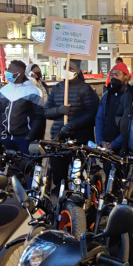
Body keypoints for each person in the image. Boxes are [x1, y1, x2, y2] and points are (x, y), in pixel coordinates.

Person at [44, 59, 99, 187]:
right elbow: (46, 112)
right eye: (66, 68)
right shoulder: (57, 89)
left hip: (80, 138)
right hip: (59, 138)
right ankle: (59, 193)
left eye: (71, 69)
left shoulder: (85, 89)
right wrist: (59, 110)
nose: (67, 71)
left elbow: (92, 113)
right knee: (58, 172)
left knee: (79, 173)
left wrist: (72, 125)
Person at [0, 60, 46, 154]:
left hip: (24, 140)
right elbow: (0, 113)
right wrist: (1, 135)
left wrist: (29, 137)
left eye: (11, 69)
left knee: (25, 167)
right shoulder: (4, 90)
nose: (7, 72)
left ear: (20, 72)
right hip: (7, 139)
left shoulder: (34, 91)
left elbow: (39, 117)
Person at [95, 62, 131, 151]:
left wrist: (114, 144)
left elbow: (129, 124)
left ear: (126, 77)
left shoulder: (130, 96)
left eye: (117, 75)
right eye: (111, 75)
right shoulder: (106, 96)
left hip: (122, 147)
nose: (114, 77)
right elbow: (99, 119)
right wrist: (101, 141)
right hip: (106, 145)